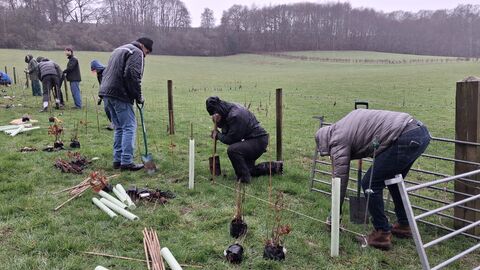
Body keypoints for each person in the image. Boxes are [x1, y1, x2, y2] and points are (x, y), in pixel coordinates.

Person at [315, 109, 430, 250]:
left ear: (326, 141)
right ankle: (404, 224)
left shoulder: (337, 140)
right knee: (394, 180)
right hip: (419, 131)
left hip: (403, 136)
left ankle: (382, 233)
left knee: (370, 183)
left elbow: (340, 179)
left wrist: (334, 214)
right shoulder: (343, 124)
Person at [99, 37, 153, 171]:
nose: (146, 55)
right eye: (147, 51)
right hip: (120, 94)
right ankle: (127, 162)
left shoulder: (118, 49)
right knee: (129, 126)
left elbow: (106, 71)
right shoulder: (136, 52)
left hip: (106, 92)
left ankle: (117, 161)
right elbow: (132, 74)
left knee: (119, 127)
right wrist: (138, 96)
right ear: (143, 46)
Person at [206, 96, 283, 183]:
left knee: (233, 150)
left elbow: (231, 139)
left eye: (214, 113)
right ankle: (276, 167)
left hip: (257, 141)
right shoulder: (227, 109)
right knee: (249, 169)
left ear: (218, 109)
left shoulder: (235, 115)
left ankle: (244, 179)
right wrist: (218, 122)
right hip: (251, 140)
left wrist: (218, 135)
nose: (213, 115)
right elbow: (228, 129)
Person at [91, 60, 114, 130]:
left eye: (95, 70)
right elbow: (101, 85)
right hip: (105, 94)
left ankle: (115, 124)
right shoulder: (99, 75)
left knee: (112, 108)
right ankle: (112, 122)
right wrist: (100, 97)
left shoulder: (107, 71)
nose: (95, 72)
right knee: (107, 108)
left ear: (97, 67)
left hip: (112, 93)